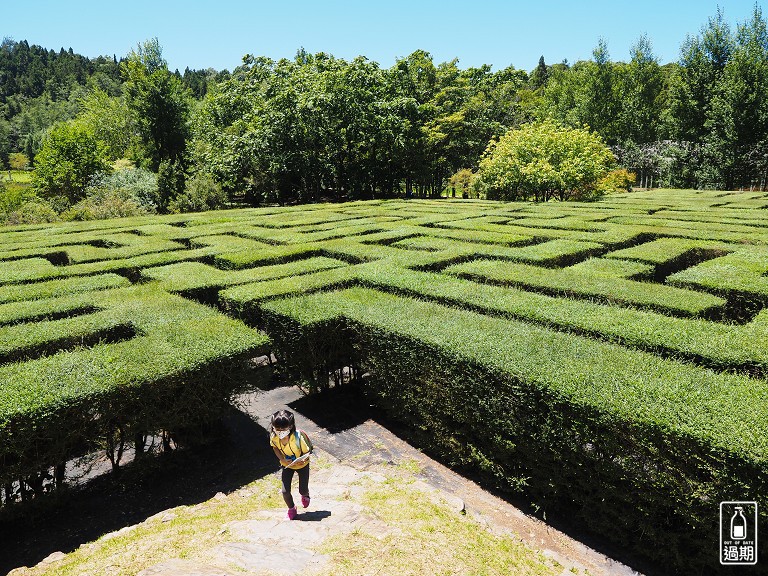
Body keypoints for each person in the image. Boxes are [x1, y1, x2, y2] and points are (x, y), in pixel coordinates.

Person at [269, 409, 314, 520]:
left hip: (302, 465)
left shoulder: (297, 437)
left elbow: (306, 451)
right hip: (287, 466)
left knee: (302, 489)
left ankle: (305, 494)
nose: (280, 432)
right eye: (277, 429)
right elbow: (275, 448)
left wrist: (303, 459)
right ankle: (292, 508)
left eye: (283, 429)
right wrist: (282, 460)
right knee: (285, 491)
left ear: (290, 426)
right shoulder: (274, 437)